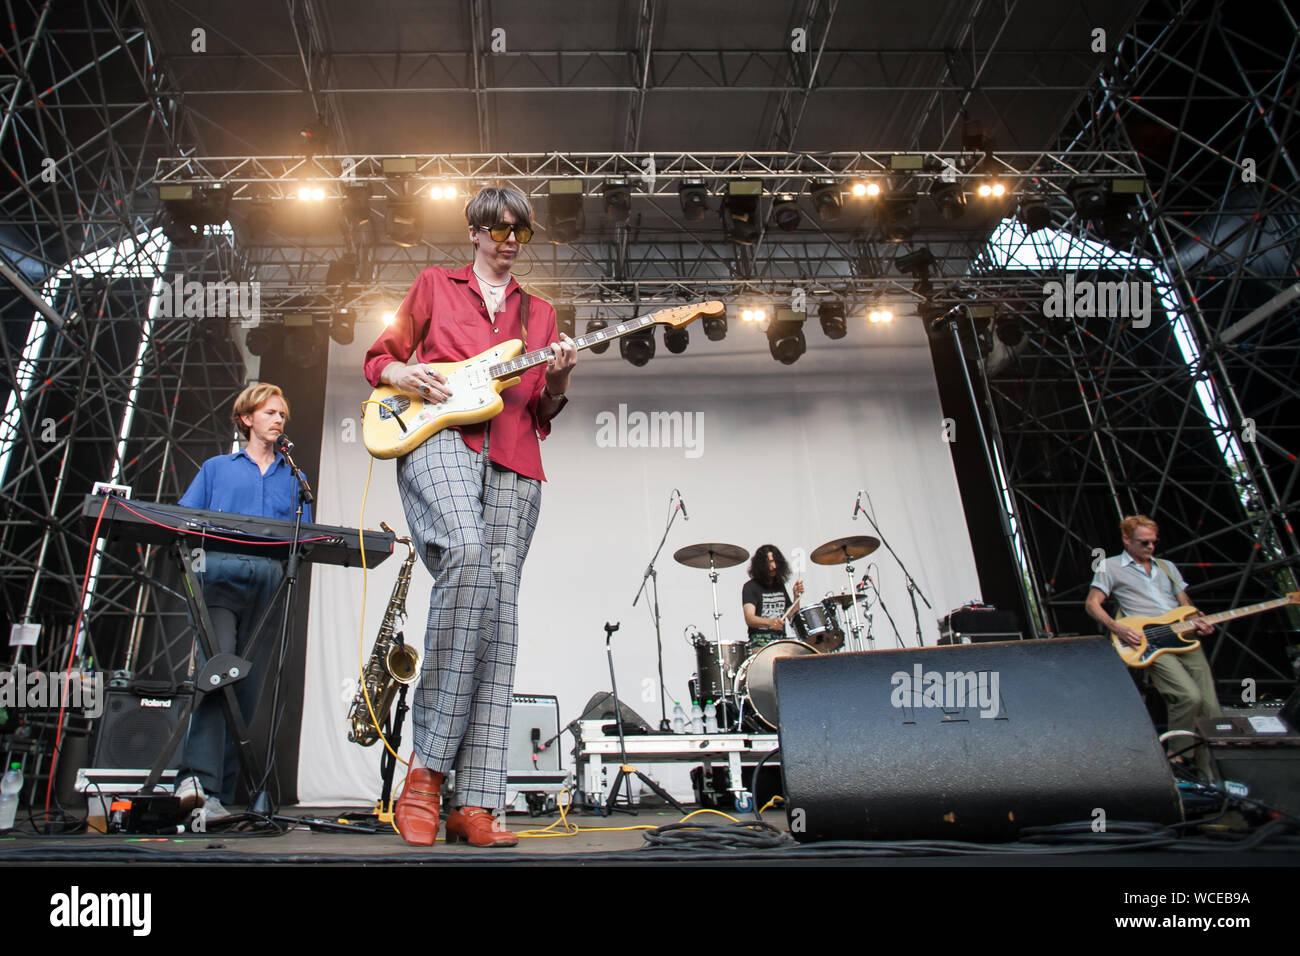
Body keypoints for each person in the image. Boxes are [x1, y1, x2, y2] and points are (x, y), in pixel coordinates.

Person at [362, 185, 576, 847]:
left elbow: (541, 408)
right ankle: (425, 771)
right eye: (499, 228)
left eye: (520, 232)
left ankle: (476, 799)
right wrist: (403, 374)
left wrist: (563, 377)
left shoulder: (539, 313)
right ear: (477, 231)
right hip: (436, 437)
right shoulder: (434, 284)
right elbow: (379, 358)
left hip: (515, 457)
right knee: (470, 552)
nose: (509, 240)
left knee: (501, 614)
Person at [173, 383, 310, 821]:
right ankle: (195, 781)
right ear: (247, 419)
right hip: (220, 586)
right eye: (269, 412)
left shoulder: (294, 478)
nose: (277, 420)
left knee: (247, 690)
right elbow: (184, 518)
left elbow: (306, 536)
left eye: (282, 415)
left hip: (267, 592)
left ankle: (223, 793)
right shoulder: (217, 468)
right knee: (219, 679)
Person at [1085, 514, 1220, 769]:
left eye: (1153, 542)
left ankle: (1213, 769)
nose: (1150, 547)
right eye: (1143, 542)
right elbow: (1092, 604)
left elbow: (1184, 603)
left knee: (1211, 706)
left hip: (1184, 635)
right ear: (1126, 540)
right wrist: (1118, 629)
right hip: (1151, 639)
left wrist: (1198, 619)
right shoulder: (1110, 566)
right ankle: (1178, 757)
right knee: (1188, 696)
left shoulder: (1166, 566)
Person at [742, 545, 804, 646]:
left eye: (775, 562)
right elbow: (750, 618)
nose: (774, 566)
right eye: (769, 562)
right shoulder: (750, 587)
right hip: (759, 641)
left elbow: (793, 618)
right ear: (761, 565)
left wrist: (796, 596)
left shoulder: (779, 586)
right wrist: (770, 622)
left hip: (781, 641)